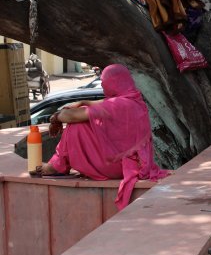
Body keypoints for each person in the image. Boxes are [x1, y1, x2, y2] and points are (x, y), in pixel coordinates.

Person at [33, 64, 169, 210]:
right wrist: (83, 102)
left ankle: (58, 165)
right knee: (84, 119)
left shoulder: (118, 104)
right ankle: (58, 163)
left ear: (113, 83)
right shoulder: (134, 99)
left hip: (119, 167)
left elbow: (70, 116)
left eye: (105, 83)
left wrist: (56, 117)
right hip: (134, 164)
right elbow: (101, 104)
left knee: (76, 126)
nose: (103, 87)